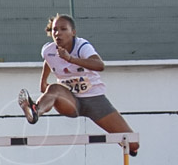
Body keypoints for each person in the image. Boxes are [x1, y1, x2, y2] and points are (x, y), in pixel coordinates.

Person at [18, 14, 138, 156]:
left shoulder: (82, 47)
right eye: (55, 30)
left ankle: (129, 146)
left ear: (73, 32)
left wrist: (71, 59)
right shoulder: (48, 51)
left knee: (133, 143)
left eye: (63, 29)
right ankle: (35, 111)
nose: (58, 33)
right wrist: (43, 80)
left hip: (94, 99)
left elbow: (100, 65)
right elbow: (48, 61)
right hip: (70, 100)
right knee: (54, 89)